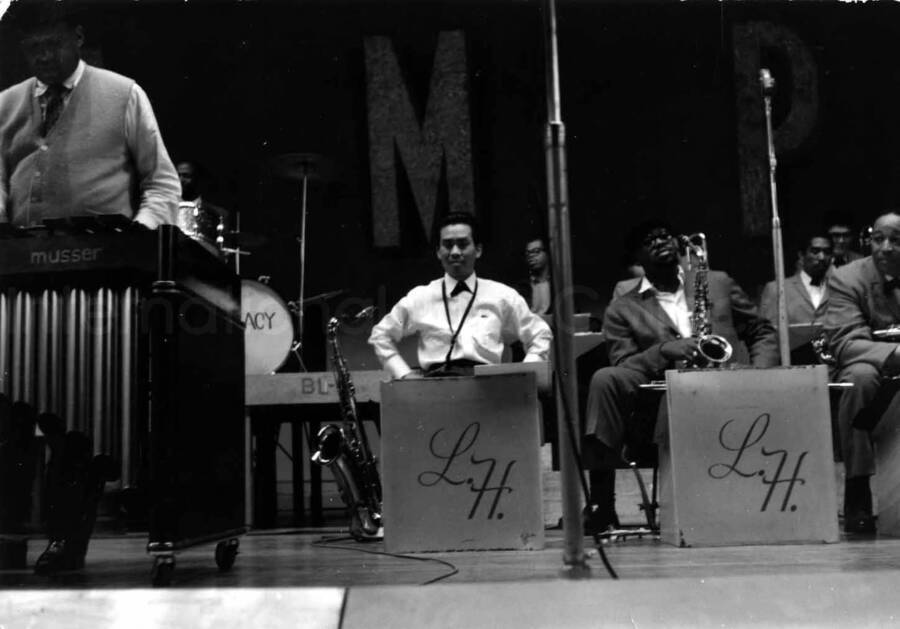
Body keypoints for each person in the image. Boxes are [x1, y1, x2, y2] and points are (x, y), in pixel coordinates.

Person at [583, 219, 779, 532]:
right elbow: (623, 364)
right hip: (662, 398)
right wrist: (664, 351)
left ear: (679, 244)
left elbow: (761, 330)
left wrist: (758, 374)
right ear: (636, 257)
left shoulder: (718, 282)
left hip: (726, 385)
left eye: (665, 235)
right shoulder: (622, 308)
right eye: (649, 240)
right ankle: (601, 502)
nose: (660, 242)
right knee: (604, 379)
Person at [0, 2, 179, 229]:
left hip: (108, 255)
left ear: (78, 37)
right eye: (33, 48)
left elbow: (161, 183)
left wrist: (139, 235)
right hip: (22, 258)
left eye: (53, 44)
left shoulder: (125, 94)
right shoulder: (4, 104)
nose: (43, 57)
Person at [369, 212, 553, 379]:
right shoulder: (420, 297)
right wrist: (404, 374)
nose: (455, 252)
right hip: (435, 391)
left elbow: (540, 334)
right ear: (438, 252)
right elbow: (381, 335)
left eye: (463, 244)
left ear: (478, 250)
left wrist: (525, 375)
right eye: (448, 245)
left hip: (488, 391)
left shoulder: (502, 295)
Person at [825, 210, 900, 534]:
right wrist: (895, 353)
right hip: (871, 362)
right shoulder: (847, 277)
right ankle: (857, 492)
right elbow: (845, 341)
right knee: (858, 379)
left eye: (896, 240)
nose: (885, 247)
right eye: (878, 239)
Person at [759, 234, 833, 365]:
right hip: (790, 367)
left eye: (826, 252)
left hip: (832, 368)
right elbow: (766, 339)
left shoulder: (839, 288)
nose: (821, 257)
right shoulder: (776, 289)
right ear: (801, 255)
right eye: (815, 251)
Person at [520, 236, 552, 315]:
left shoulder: (558, 283)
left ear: (547, 253)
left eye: (536, 251)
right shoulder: (522, 286)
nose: (531, 256)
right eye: (528, 253)